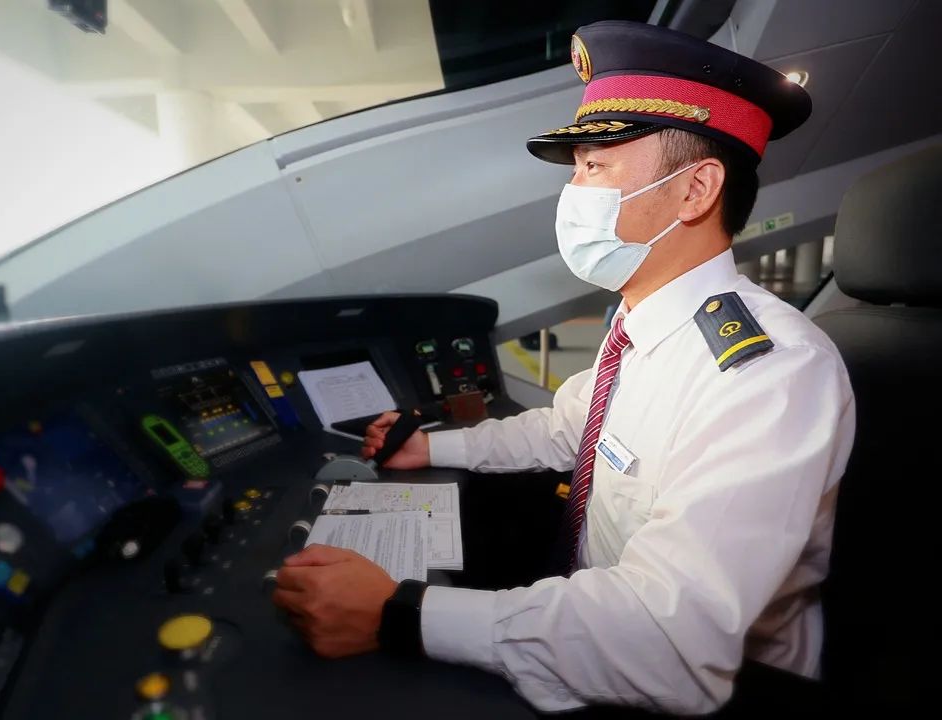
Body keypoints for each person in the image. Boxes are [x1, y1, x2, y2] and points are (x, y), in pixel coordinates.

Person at [272, 19, 855, 715]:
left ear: (696, 190)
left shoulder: (771, 376)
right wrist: (432, 447)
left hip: (713, 684)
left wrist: (403, 614)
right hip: (590, 622)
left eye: (595, 166)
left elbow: (670, 639)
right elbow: (566, 427)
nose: (573, 191)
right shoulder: (642, 321)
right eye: (576, 166)